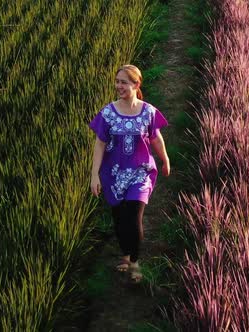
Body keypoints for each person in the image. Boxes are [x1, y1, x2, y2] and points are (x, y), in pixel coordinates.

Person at [88, 64, 170, 283]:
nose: (119, 86)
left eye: (124, 82)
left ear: (136, 84)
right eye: (117, 81)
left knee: (134, 216)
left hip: (140, 172)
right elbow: (100, 144)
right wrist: (94, 174)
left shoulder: (148, 112)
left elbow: (155, 138)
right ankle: (125, 253)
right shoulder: (108, 113)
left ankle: (134, 262)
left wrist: (165, 158)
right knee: (119, 219)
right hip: (113, 174)